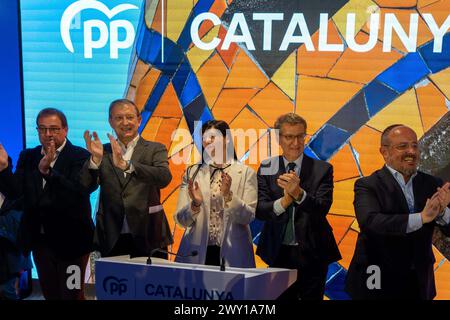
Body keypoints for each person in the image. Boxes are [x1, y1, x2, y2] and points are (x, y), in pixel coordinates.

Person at [345, 124, 450, 300]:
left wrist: (442, 213)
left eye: (415, 145)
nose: (411, 151)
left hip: (419, 278)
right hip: (377, 274)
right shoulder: (368, 185)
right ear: (384, 152)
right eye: (402, 146)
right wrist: (421, 218)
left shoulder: (433, 183)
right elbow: (370, 223)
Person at [0, 108, 94, 300]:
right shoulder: (28, 156)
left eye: (54, 129)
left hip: (72, 244)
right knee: (50, 294)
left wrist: (48, 172)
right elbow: (15, 193)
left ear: (65, 130)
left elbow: (76, 192)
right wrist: (3, 168)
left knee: (73, 295)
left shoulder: (80, 156)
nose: (48, 134)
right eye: (43, 129)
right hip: (41, 243)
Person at [256, 113, 341, 300]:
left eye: (300, 136)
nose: (295, 142)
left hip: (313, 253)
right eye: (289, 137)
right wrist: (284, 201)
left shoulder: (322, 169)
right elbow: (261, 210)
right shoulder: (267, 167)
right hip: (278, 252)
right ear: (279, 138)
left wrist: (299, 194)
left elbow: (322, 208)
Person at [81, 99, 173, 258]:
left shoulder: (155, 149)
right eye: (118, 118)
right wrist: (95, 160)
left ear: (139, 120)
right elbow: (84, 187)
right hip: (111, 236)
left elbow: (164, 178)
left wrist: (127, 165)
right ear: (110, 121)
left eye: (130, 117)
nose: (125, 122)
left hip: (149, 234)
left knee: (152, 282)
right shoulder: (101, 150)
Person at [173, 120, 257, 268]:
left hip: (233, 251)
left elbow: (247, 217)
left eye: (213, 137)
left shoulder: (245, 173)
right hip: (197, 251)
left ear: (227, 138)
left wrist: (229, 196)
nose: (208, 142)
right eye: (204, 138)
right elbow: (181, 220)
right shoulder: (192, 172)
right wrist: (195, 204)